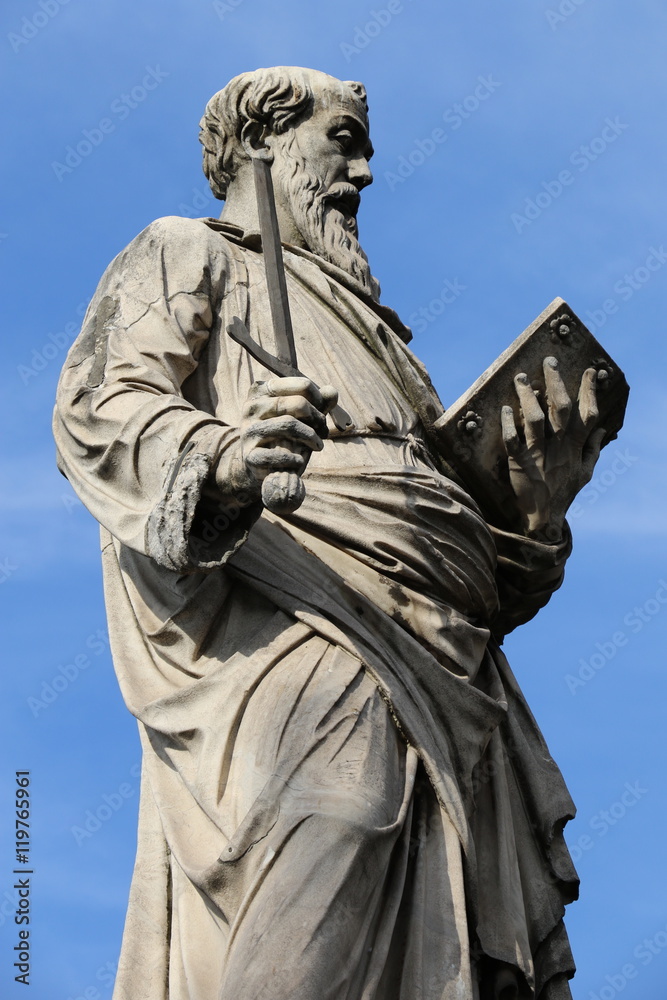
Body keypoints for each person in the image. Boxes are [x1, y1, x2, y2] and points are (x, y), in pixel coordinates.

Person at [54, 66, 605, 1000]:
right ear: (262, 142)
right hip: (304, 615)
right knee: (339, 817)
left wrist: (537, 501)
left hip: (448, 662)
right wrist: (224, 454)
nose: (365, 171)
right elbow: (99, 406)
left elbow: (464, 554)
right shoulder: (189, 250)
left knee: (452, 933)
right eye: (343, 140)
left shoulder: (390, 346)